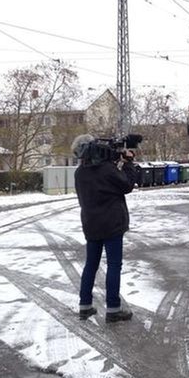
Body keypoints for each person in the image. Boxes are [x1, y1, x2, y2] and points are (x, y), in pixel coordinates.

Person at [71, 134, 139, 323]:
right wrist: (128, 163)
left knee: (91, 265)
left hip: (91, 224)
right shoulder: (107, 170)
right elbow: (127, 185)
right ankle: (113, 309)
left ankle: (84, 306)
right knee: (114, 265)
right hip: (112, 224)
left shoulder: (80, 173)